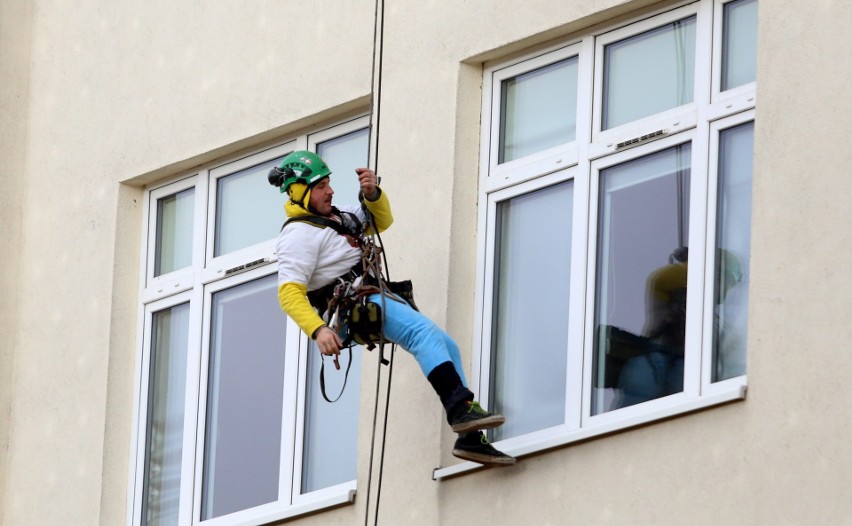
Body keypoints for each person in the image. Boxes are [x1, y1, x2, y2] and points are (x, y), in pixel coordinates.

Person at [270, 150, 515, 466]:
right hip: (351, 306)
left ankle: (470, 438)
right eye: (320, 186)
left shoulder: (337, 216)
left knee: (445, 343)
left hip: (371, 296)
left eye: (328, 183)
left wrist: (372, 194)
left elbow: (381, 222)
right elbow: (289, 293)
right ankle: (460, 409)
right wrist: (317, 330)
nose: (329, 190)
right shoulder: (297, 236)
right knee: (422, 334)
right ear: (298, 191)